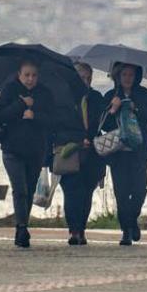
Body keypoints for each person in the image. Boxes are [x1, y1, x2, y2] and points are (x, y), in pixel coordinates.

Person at [0, 59, 55, 248]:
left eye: (34, 75)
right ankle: (21, 228)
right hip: (12, 149)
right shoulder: (9, 90)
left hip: (36, 150)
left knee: (28, 189)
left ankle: (23, 224)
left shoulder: (45, 93)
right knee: (19, 189)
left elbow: (52, 120)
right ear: (19, 75)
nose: (30, 79)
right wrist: (21, 105)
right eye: (26, 75)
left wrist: (34, 115)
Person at [102, 62, 147, 246]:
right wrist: (113, 110)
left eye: (131, 75)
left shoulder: (144, 95)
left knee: (139, 189)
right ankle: (126, 231)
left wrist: (137, 108)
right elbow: (103, 125)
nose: (128, 78)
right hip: (118, 154)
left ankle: (132, 219)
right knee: (121, 193)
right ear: (118, 76)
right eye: (124, 74)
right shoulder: (110, 96)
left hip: (139, 153)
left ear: (136, 76)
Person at [53, 62, 106, 245]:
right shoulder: (63, 99)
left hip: (92, 154)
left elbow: (101, 123)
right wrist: (76, 139)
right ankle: (74, 230)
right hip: (69, 151)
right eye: (81, 78)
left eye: (87, 78)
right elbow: (57, 127)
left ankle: (81, 228)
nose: (84, 82)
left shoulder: (96, 98)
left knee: (86, 193)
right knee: (71, 191)